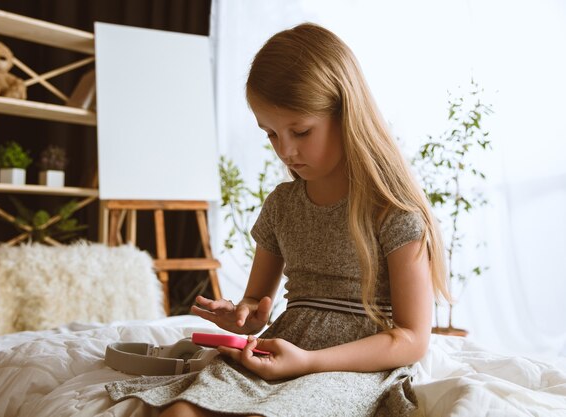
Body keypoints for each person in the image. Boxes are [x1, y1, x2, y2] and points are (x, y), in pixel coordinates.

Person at [107, 22, 449, 417]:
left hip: (355, 364)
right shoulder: (283, 205)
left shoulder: (393, 210)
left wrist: (308, 362)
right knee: (180, 412)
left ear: (346, 114)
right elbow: (257, 306)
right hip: (280, 348)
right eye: (270, 134)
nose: (285, 150)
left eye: (300, 131)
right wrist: (242, 316)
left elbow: (411, 338)